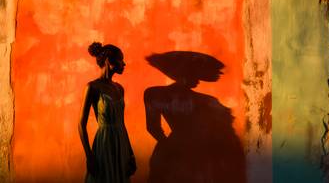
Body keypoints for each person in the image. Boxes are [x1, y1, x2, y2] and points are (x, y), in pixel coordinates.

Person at [144, 51, 246, 183]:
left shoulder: (154, 94)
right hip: (194, 154)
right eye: (194, 76)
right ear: (182, 75)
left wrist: (168, 146)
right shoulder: (206, 101)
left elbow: (153, 128)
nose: (198, 81)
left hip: (174, 150)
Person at [79, 42, 136, 183]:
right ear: (109, 61)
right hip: (104, 145)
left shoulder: (119, 88)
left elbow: (122, 123)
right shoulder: (92, 87)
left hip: (121, 144)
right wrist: (89, 156)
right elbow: (81, 125)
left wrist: (130, 153)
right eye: (120, 59)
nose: (124, 63)